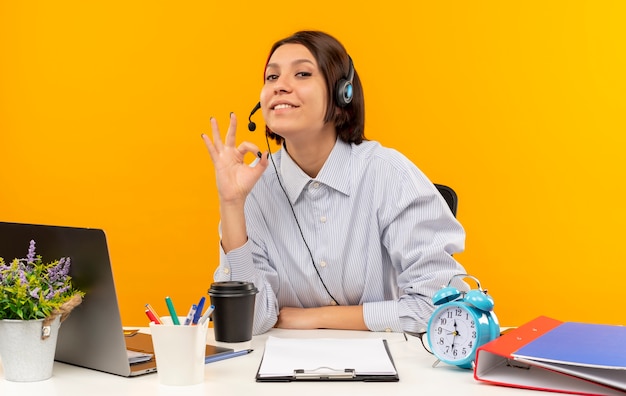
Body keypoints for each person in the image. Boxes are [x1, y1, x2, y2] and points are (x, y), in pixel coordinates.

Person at [201, 30, 468, 336]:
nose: (280, 87)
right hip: (281, 373)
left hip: (388, 370)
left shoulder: (388, 174)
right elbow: (250, 321)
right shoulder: (253, 189)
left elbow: (442, 309)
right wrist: (232, 205)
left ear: (343, 93)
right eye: (272, 77)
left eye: (302, 73)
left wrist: (315, 317)